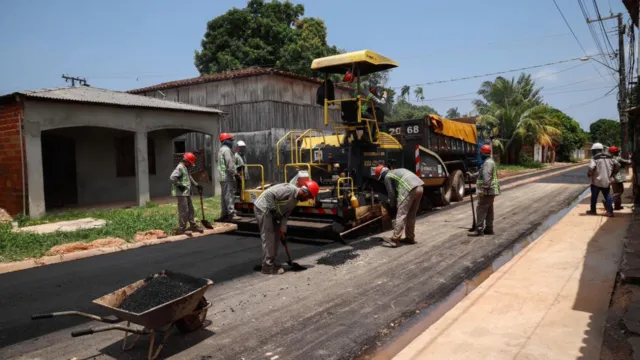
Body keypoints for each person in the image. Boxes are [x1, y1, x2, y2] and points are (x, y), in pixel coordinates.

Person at [254, 181, 320, 275]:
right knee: (269, 237)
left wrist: (283, 231)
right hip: (263, 208)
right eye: (308, 197)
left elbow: (285, 215)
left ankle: (272, 262)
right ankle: (267, 267)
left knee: (277, 237)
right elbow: (269, 194)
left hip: (274, 214)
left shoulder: (295, 201)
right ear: (305, 192)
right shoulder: (289, 189)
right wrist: (273, 210)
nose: (306, 200)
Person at [374, 165, 424, 247]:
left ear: (381, 175)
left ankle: (395, 239)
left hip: (409, 188)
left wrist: (392, 205)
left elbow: (391, 194)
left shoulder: (387, 176)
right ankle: (410, 237)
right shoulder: (396, 171)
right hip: (420, 187)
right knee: (411, 215)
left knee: (401, 215)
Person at [468, 144, 500, 237]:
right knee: (489, 209)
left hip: (487, 191)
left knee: (481, 209)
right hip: (491, 191)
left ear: (482, 153)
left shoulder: (488, 163)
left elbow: (487, 177)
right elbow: (482, 172)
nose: (480, 154)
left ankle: (479, 230)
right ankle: (489, 228)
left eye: (480, 153)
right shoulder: (489, 162)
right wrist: (472, 175)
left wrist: (484, 189)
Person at [170, 152, 204, 235]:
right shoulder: (180, 167)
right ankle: (182, 229)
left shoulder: (185, 168)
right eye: (190, 163)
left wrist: (196, 185)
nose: (190, 165)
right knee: (184, 210)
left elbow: (189, 177)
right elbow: (172, 178)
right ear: (186, 161)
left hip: (186, 192)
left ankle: (193, 225)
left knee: (190, 209)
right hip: (181, 193)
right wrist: (179, 185)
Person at [587, 142, 619, 217]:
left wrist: (589, 173)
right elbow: (618, 165)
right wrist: (613, 173)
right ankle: (610, 212)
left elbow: (591, 168)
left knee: (594, 196)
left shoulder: (595, 158)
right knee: (607, 196)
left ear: (595, 150)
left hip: (596, 181)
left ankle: (593, 211)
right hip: (606, 181)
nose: (592, 152)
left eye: (593, 151)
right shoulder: (610, 157)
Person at [217, 132, 240, 221]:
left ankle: (224, 214)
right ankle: (231, 214)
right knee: (229, 195)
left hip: (222, 177)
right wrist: (235, 174)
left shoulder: (221, 150)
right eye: (230, 140)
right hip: (227, 177)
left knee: (224, 196)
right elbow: (230, 164)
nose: (232, 142)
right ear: (226, 141)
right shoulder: (226, 150)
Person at [608, 146, 631, 210]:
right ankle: (609, 201)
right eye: (617, 151)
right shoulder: (618, 158)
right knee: (620, 191)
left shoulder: (609, 159)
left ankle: (617, 206)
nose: (618, 152)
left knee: (616, 191)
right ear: (615, 152)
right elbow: (628, 162)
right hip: (618, 177)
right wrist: (631, 160)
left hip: (612, 177)